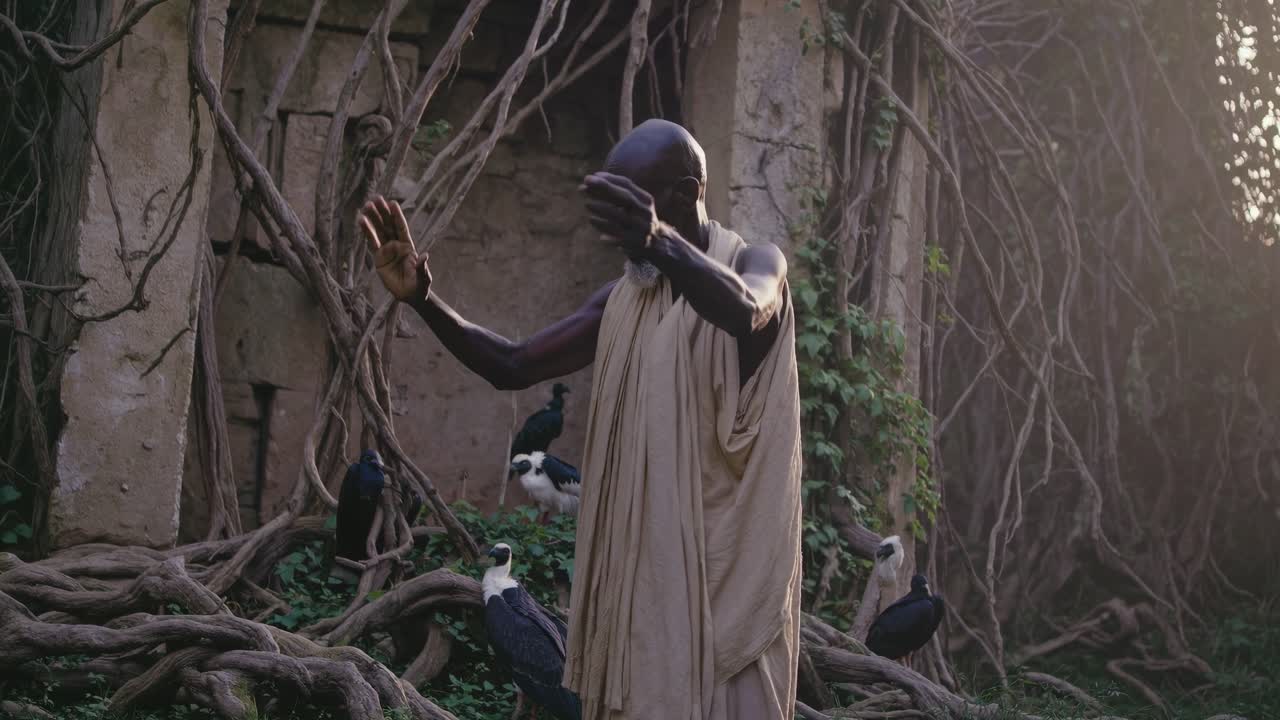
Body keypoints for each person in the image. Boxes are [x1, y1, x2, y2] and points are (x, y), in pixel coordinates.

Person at [360, 119, 802, 720]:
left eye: (630, 213)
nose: (621, 240)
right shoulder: (624, 298)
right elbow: (512, 364)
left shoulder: (757, 261)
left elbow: (750, 309)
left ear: (685, 193)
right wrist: (422, 299)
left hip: (730, 581)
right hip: (646, 583)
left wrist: (659, 243)